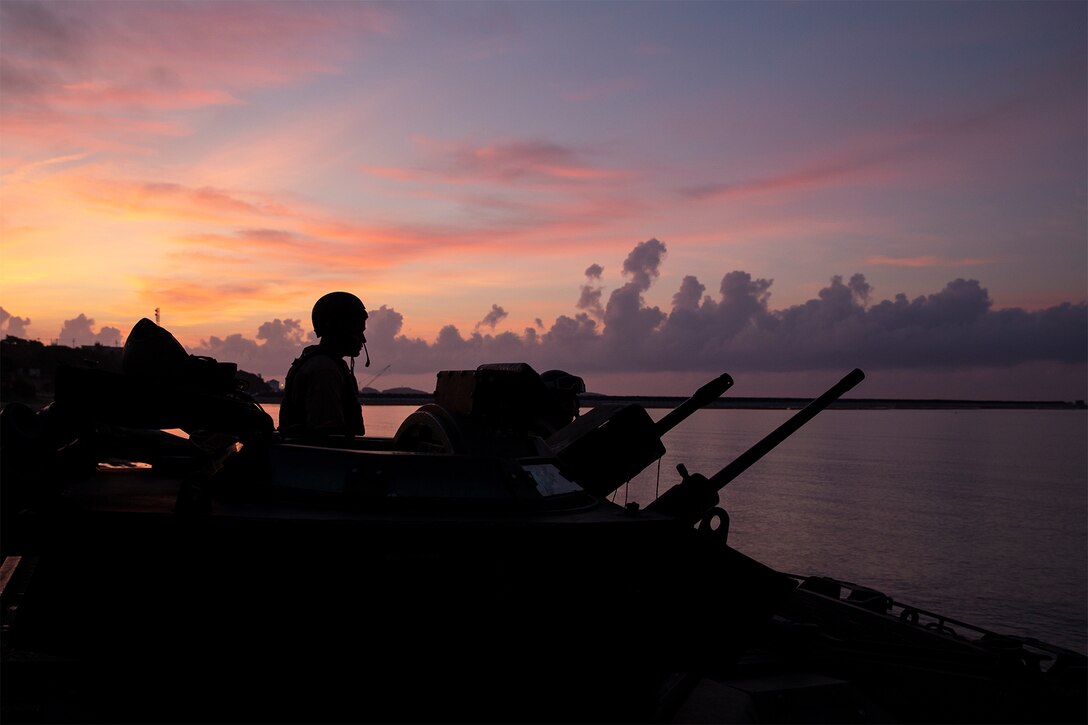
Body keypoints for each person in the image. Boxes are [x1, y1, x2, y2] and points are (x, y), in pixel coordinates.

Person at [279, 291, 369, 438]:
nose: (363, 339)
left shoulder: (323, 364)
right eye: (357, 331)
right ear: (339, 330)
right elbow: (327, 435)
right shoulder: (324, 370)